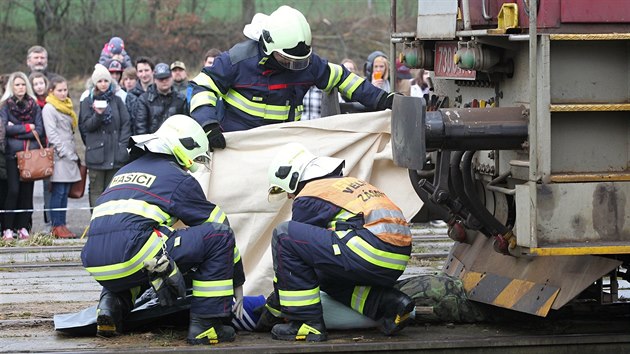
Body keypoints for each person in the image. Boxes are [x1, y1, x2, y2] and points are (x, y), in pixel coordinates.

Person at [81, 114, 245, 345]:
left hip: (95, 261)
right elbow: (219, 225)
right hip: (135, 253)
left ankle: (110, 307)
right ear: (185, 147)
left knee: (138, 251)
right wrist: (238, 280)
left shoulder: (124, 171)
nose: (193, 165)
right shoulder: (178, 178)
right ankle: (207, 325)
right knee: (218, 237)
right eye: (196, 157)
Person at [264, 143, 414, 342]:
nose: (290, 197)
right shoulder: (344, 185)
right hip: (394, 258)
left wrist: (269, 312)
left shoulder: (310, 194)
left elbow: (290, 259)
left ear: (294, 178)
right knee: (322, 272)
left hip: (369, 250)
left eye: (287, 190)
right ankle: (389, 305)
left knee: (284, 234)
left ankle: (305, 323)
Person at [189, 5, 395, 149]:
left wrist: (383, 99)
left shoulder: (306, 62)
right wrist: (208, 125)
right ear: (269, 48)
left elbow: (343, 79)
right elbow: (202, 88)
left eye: (298, 60)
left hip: (284, 142)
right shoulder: (237, 60)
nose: (293, 65)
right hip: (238, 143)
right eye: (286, 59)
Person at [78, 64, 131, 209]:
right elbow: (86, 127)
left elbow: (126, 124)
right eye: (100, 81)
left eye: (106, 81)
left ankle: (109, 223)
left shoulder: (117, 101)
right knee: (96, 190)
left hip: (116, 154)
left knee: (113, 191)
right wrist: (98, 115)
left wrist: (122, 146)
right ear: (95, 83)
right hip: (96, 155)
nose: (103, 84)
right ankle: (96, 222)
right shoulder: (87, 102)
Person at [0, 72, 44, 241]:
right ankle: (8, 228)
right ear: (12, 86)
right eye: (17, 84)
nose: (20, 87)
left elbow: (39, 130)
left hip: (30, 156)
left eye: (23, 84)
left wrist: (17, 128)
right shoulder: (5, 106)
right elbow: (5, 129)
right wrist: (27, 128)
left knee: (27, 193)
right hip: (11, 155)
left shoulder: (34, 106)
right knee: (13, 190)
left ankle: (23, 227)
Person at [41, 76, 81, 238]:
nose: (63, 93)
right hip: (59, 156)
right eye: (60, 90)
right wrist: (64, 152)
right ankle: (56, 225)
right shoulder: (49, 108)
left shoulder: (67, 106)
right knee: (58, 191)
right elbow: (52, 134)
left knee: (64, 192)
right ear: (51, 91)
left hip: (69, 155)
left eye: (65, 90)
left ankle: (62, 224)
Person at [134, 63, 187, 135]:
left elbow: (185, 125)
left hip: (174, 141)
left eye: (166, 78)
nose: (164, 81)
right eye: (160, 79)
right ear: (155, 80)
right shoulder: (144, 100)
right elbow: (141, 128)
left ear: (171, 78)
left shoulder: (181, 99)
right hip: (151, 142)